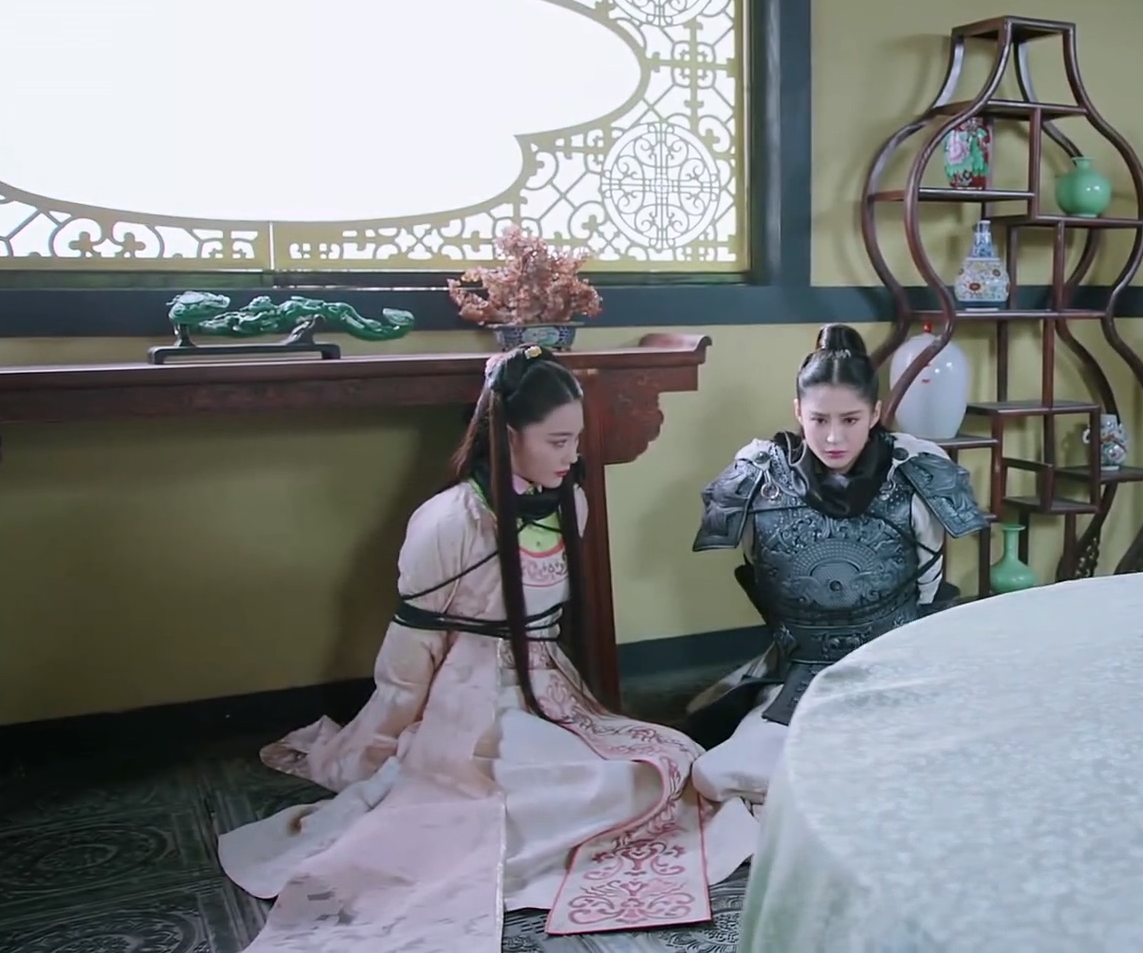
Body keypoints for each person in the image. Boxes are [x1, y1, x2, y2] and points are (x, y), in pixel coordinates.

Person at [218, 346, 758, 950]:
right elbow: (411, 653)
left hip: (547, 685)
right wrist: (379, 740)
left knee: (672, 761)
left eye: (576, 441)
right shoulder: (448, 522)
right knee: (519, 793)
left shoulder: (570, 501)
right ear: (507, 436)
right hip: (470, 701)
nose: (572, 456)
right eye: (558, 441)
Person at [685, 324, 987, 808]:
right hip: (800, 671)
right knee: (720, 775)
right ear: (797, 412)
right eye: (819, 419)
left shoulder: (916, 471)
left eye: (850, 419)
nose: (833, 437)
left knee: (938, 766)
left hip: (894, 667)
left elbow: (929, 591)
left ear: (875, 413)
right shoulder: (759, 473)